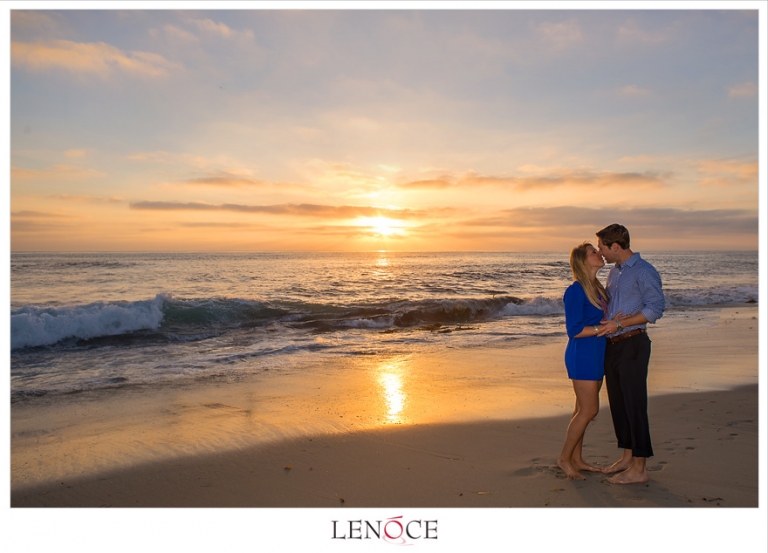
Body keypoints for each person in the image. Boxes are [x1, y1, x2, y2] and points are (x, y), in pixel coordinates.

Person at [596, 223, 665, 484]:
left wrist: (621, 324)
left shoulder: (644, 271)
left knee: (634, 404)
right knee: (619, 404)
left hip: (633, 344)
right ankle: (627, 457)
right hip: (613, 345)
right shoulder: (615, 272)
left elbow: (656, 308)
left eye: (603, 247)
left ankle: (639, 468)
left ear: (616, 246)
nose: (600, 252)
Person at [558, 242, 610, 480]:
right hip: (583, 354)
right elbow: (574, 330)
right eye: (593, 252)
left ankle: (577, 459)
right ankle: (564, 459)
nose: (599, 254)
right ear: (582, 260)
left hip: (597, 352)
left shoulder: (596, 288)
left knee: (581, 409)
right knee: (589, 410)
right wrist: (604, 326)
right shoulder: (576, 291)